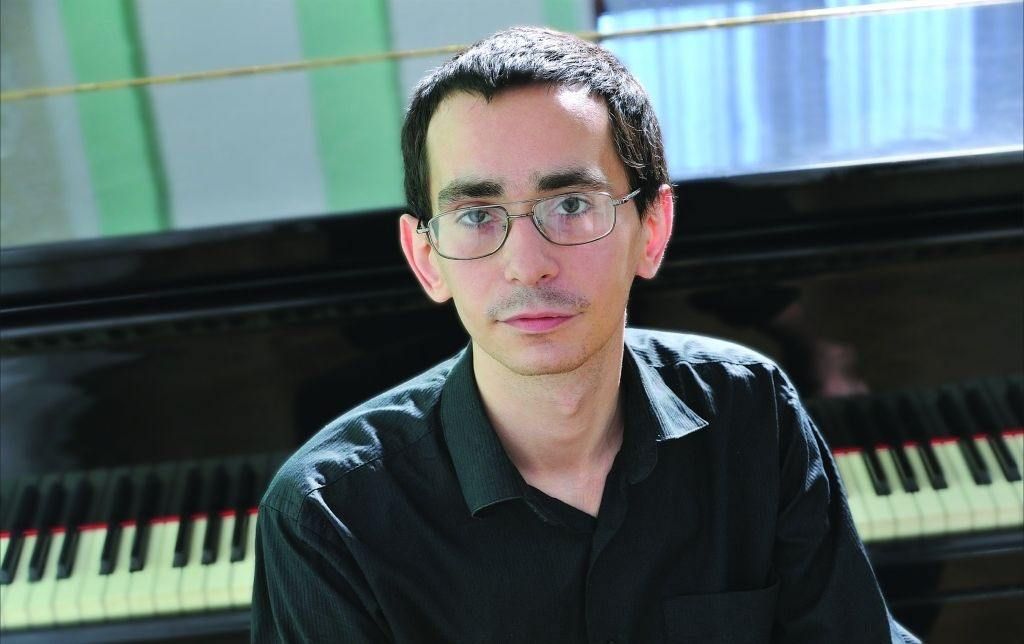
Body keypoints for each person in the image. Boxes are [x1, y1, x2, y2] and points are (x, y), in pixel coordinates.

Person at [251, 26, 919, 643]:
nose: (527, 264)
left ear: (652, 230)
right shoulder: (323, 515)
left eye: (571, 205)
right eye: (476, 215)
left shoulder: (753, 408)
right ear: (426, 258)